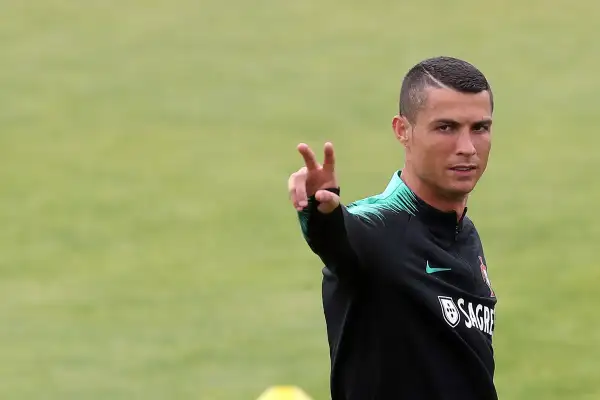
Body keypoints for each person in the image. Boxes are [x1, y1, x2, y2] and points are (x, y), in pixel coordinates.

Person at [287, 56, 498, 399]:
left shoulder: (463, 232)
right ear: (403, 130)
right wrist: (318, 209)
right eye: (446, 128)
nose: (467, 148)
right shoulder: (376, 227)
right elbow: (337, 237)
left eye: (480, 128)